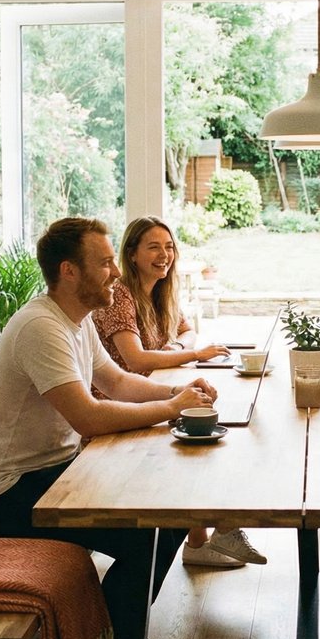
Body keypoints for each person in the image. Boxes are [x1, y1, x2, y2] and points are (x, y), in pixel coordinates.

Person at [0, 217, 217, 639]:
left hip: (57, 470)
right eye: (105, 264)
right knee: (146, 537)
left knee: (173, 510)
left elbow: (119, 382)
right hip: (11, 490)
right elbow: (88, 415)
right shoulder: (41, 327)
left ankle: (116, 629)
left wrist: (180, 392)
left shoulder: (76, 319)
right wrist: (172, 408)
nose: (116, 272)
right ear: (69, 271)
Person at [93, 216, 267, 569]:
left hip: (153, 392)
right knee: (200, 437)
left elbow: (188, 331)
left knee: (213, 424)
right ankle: (212, 534)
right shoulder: (120, 295)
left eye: (169, 246)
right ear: (132, 254)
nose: (164, 255)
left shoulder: (161, 291)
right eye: (154, 247)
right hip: (120, 405)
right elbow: (135, 358)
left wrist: (177, 346)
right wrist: (192, 354)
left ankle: (205, 537)